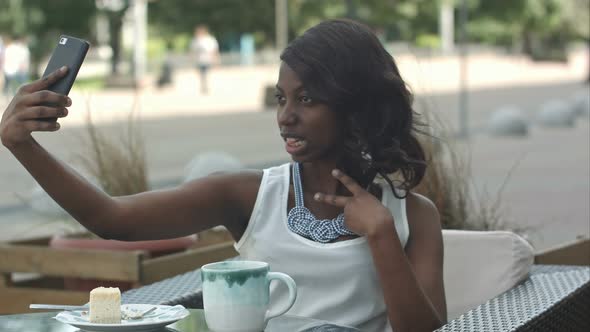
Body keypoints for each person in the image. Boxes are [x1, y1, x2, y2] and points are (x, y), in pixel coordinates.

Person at [0, 19, 446, 332]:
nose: (285, 117)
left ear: (354, 107)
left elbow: (425, 331)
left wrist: (382, 235)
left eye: (307, 100)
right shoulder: (248, 194)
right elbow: (113, 219)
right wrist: (23, 146)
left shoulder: (413, 217)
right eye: (280, 98)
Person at [190, 25, 219, 94]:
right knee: (202, 74)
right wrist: (192, 59)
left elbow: (214, 50)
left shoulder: (209, 40)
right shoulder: (195, 40)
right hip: (199, 60)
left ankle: (205, 86)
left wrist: (215, 59)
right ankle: (204, 86)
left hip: (207, 60)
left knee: (205, 73)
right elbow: (192, 51)